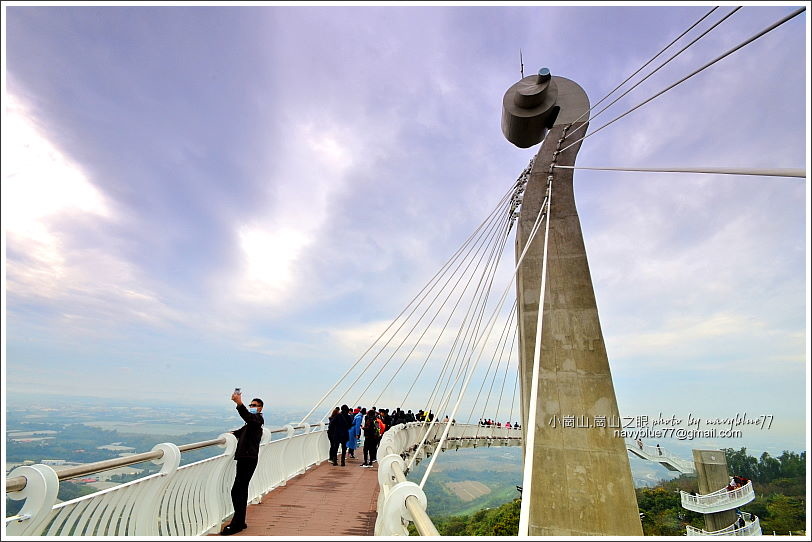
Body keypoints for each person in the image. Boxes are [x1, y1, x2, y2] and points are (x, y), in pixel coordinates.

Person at [220, 392, 264, 536]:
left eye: (254, 405)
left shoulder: (256, 420)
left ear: (260, 408)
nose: (252, 407)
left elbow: (248, 417)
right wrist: (231, 435)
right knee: (241, 490)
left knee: (237, 490)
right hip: (246, 458)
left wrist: (239, 403)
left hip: (248, 459)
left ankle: (237, 524)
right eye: (251, 405)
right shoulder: (251, 424)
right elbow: (241, 431)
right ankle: (240, 521)